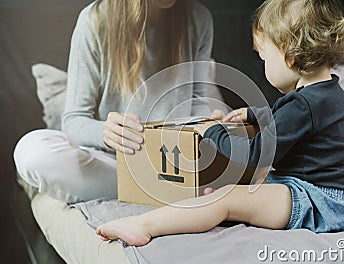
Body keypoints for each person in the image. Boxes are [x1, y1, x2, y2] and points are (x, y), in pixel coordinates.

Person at [95, 0, 344, 247]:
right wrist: (256, 115)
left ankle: (143, 225)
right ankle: (220, 207)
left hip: (316, 201)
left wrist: (213, 133)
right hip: (336, 199)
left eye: (264, 57)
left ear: (290, 56)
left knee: (225, 198)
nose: (264, 65)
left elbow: (255, 153)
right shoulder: (327, 94)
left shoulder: (303, 105)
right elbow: (296, 124)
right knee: (236, 192)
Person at [13, 0, 219, 203]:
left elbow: (197, 100)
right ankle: (161, 191)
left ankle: (160, 190)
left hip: (174, 161)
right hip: (115, 161)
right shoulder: (94, 20)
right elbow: (74, 120)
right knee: (31, 152)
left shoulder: (198, 18)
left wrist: (210, 125)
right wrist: (106, 132)